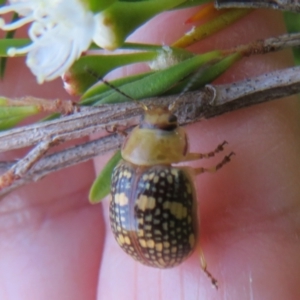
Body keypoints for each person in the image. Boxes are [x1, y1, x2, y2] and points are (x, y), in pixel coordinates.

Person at [0, 7, 299, 300]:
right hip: (170, 247)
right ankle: (205, 271)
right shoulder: (152, 174)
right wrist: (214, 159)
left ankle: (207, 271)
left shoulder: (126, 168)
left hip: (148, 247)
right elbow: (199, 167)